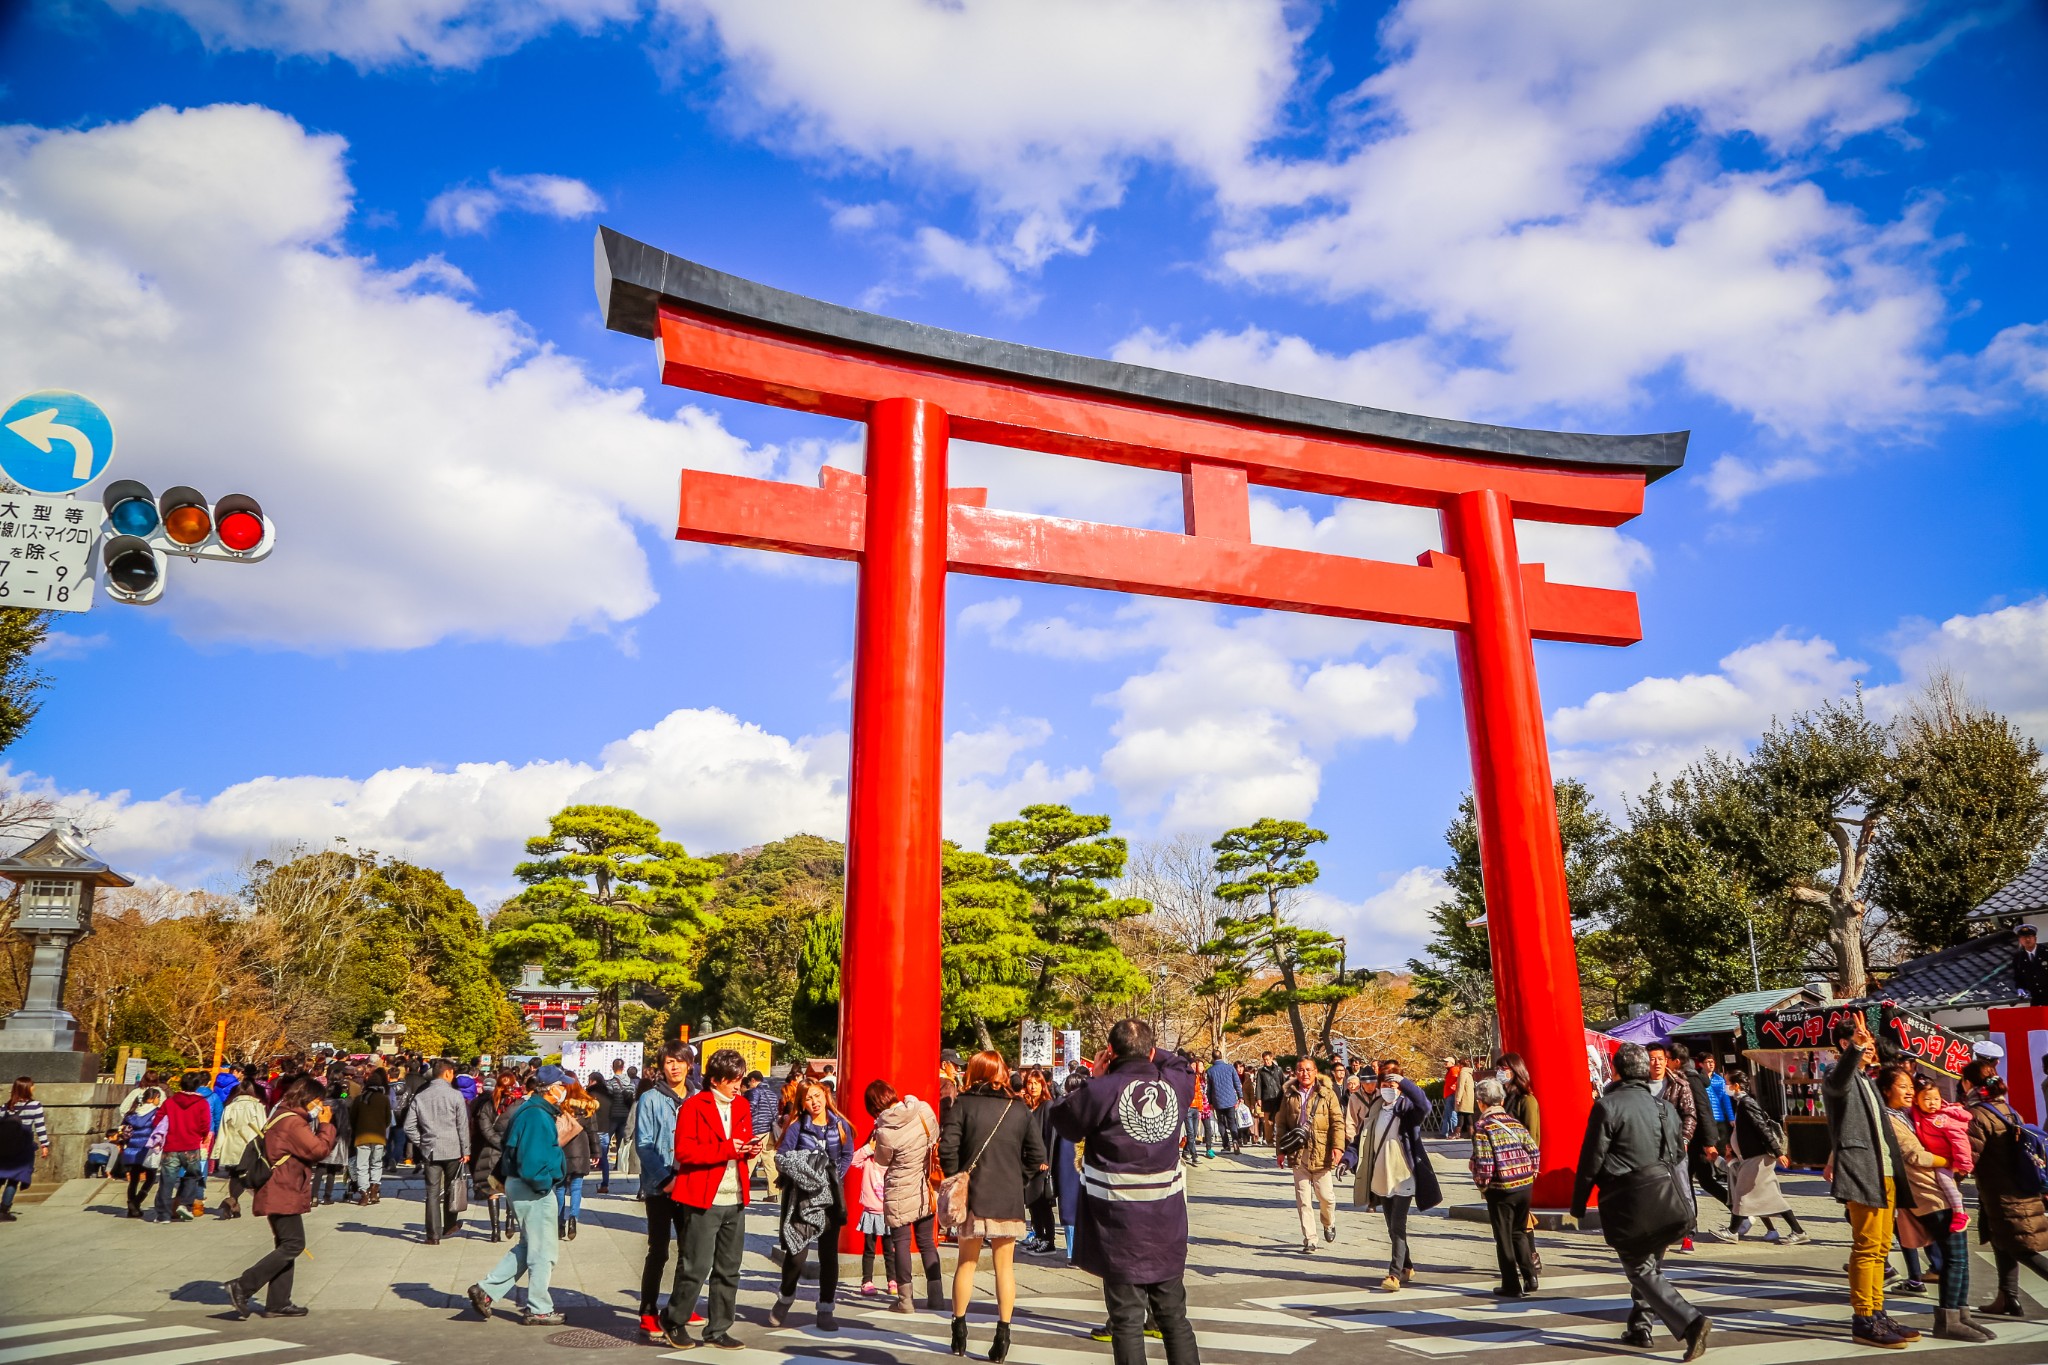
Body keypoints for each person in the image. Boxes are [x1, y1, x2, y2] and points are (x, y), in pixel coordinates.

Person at [1049, 1019, 1200, 1365]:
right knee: (1174, 1318)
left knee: (1127, 1321)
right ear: (1150, 1051)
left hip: (1117, 1225)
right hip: (1166, 1222)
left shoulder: (1101, 1090)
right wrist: (1148, 1053)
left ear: (1110, 1052)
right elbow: (1181, 1065)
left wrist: (1097, 1075)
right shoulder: (1173, 1085)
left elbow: (1063, 1117)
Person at [1571, 1041, 1712, 1361]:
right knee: (1650, 1268)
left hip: (1629, 1202)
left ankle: (1692, 1322)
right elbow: (1677, 1153)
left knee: (1639, 1270)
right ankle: (1640, 1326)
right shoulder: (1663, 1107)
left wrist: (1579, 1203)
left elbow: (1591, 1160)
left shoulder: (1608, 1106)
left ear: (1617, 1071)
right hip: (1666, 1198)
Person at [939, 1050, 1046, 1362]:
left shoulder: (963, 1103)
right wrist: (1018, 1178)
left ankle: (959, 1330)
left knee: (966, 1263)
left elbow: (948, 1148)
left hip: (972, 1196)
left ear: (974, 1071)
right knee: (1004, 1267)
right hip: (1008, 1195)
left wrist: (956, 1177)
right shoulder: (1019, 1108)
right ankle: (1003, 1334)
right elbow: (1036, 1156)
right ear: (1001, 1072)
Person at [1822, 1013, 1916, 1349]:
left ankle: (1877, 1312)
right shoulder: (1839, 1074)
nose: (1871, 1047)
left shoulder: (1866, 1079)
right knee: (1866, 1246)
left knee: (1880, 1248)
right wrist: (1855, 1052)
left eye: (1871, 1042)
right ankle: (1864, 1317)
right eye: (1864, 1041)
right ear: (1846, 1044)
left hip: (1883, 1170)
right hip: (1863, 1170)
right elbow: (1836, 1085)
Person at [1879, 1065, 1992, 1341]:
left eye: (1910, 1086)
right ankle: (1948, 1319)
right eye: (1902, 1086)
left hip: (1940, 1190)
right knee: (1953, 1257)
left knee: (1961, 1257)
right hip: (1927, 1194)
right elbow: (1916, 1156)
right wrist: (1950, 1161)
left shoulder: (1909, 1114)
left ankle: (1962, 1315)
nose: (1909, 1091)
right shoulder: (1889, 1119)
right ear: (1885, 1090)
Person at [659, 1047, 762, 1350]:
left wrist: (749, 1150)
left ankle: (718, 1328)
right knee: (696, 1265)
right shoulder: (694, 1106)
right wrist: (730, 1149)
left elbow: (740, 1144)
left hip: (736, 1195)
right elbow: (685, 1152)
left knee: (730, 1267)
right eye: (732, 1080)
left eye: (740, 1079)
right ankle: (674, 1319)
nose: (737, 1085)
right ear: (715, 1080)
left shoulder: (742, 1105)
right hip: (703, 1196)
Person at [222, 1076, 337, 1321]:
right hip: (282, 1188)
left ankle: (278, 1302)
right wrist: (327, 1125)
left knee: (287, 1244)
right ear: (307, 1099)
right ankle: (243, 1286)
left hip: (280, 1186)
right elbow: (318, 1150)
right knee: (293, 1244)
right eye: (318, 1101)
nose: (320, 1107)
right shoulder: (294, 1123)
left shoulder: (283, 1115)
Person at [468, 1064, 572, 1327]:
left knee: (529, 1247)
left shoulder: (530, 1110)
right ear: (552, 1089)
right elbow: (533, 1162)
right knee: (543, 1251)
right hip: (531, 1186)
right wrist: (544, 1183)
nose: (566, 1090)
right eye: (563, 1085)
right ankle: (539, 1308)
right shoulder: (537, 1115)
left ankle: (486, 1290)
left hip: (520, 1183)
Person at [1961, 1057, 2048, 1319]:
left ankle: (2008, 1297)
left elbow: (1969, 1161)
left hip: (2004, 1195)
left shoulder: (1977, 1115)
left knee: (2022, 1249)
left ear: (1968, 1083)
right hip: (2019, 1188)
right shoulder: (2008, 1110)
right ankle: (2007, 1297)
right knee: (2001, 1242)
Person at [771, 1079, 856, 1330]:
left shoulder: (840, 1125)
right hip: (802, 1198)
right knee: (796, 1254)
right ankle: (785, 1298)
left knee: (828, 1255)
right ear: (802, 1102)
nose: (814, 1102)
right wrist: (807, 1174)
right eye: (808, 1098)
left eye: (817, 1096)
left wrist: (833, 1175)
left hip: (830, 1198)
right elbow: (782, 1156)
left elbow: (847, 1153)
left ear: (826, 1096)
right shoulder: (797, 1125)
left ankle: (826, 1308)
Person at [1351, 1061, 1440, 1291]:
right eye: (1385, 1083)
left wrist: (1403, 1082)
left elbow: (1425, 1105)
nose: (1389, 1087)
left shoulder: (1408, 1109)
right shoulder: (1376, 1109)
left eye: (1393, 1083)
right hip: (1382, 1174)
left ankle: (1394, 1274)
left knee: (1398, 1224)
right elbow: (1362, 1139)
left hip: (1403, 1174)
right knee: (1391, 1226)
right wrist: (1347, 1160)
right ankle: (1407, 1265)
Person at [869, 1077, 945, 1315]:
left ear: (873, 1106)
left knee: (901, 1243)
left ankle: (905, 1300)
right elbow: (935, 1137)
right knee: (926, 1242)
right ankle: (936, 1297)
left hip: (900, 1190)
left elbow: (882, 1161)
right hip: (925, 1186)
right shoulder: (923, 1109)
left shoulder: (884, 1131)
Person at [634, 1041, 692, 1346]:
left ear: (689, 1064)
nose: (675, 1067)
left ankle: (680, 1306)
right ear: (661, 1066)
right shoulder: (650, 1099)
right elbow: (643, 1144)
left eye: (679, 1061)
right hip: (660, 1186)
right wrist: (665, 1178)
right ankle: (647, 1308)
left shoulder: (698, 1097)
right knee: (658, 1249)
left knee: (688, 1248)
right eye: (669, 1062)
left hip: (691, 1184)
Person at [1714, 1067, 1807, 1244]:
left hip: (1757, 1157)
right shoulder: (1742, 1103)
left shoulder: (1747, 1103)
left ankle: (1733, 1231)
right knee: (1771, 1197)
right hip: (1753, 1156)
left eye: (1727, 1083)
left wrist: (1779, 1152)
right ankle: (1798, 1231)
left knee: (1741, 1192)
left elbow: (1762, 1128)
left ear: (1736, 1086)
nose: (1725, 1086)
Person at [1469, 1077, 1539, 1297]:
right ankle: (1530, 1276)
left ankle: (1511, 1284)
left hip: (1502, 1188)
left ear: (1481, 1102)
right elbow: (1534, 1151)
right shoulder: (1513, 1122)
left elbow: (1485, 1162)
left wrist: (1483, 1185)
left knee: (1503, 1236)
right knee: (1519, 1231)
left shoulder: (1483, 1126)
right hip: (1524, 1185)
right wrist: (1531, 1173)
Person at [1275, 1056, 1344, 1254]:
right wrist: (1280, 1151)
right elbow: (1281, 1124)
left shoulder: (1327, 1094)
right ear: (1295, 1073)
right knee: (1303, 1199)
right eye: (1300, 1070)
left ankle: (1328, 1222)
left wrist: (1338, 1147)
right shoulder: (1289, 1095)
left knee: (1326, 1197)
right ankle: (1310, 1238)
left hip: (1321, 1151)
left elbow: (1337, 1122)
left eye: (1308, 1070)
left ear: (1315, 1072)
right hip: (1298, 1152)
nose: (1304, 1074)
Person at [404, 1057, 472, 1246]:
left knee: (432, 1193)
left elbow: (408, 1126)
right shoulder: (455, 1095)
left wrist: (422, 1142)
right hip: (453, 1148)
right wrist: (466, 1149)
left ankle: (432, 1234)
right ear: (448, 1073)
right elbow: (462, 1125)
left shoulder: (421, 1096)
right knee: (452, 1187)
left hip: (430, 1149)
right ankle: (449, 1224)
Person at [1643, 1043, 1698, 1253]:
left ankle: (1688, 1234)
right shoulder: (1639, 1086)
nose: (1656, 1063)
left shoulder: (1679, 1084)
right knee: (1653, 1192)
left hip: (1675, 1146)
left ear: (1667, 1061)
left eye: (1659, 1058)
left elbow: (1690, 1114)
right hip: (1649, 1146)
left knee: (1682, 1189)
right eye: (1651, 1059)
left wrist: (1684, 1139)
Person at [1911, 1075, 1974, 1234]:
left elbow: (1959, 1140)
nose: (1932, 1103)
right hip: (1935, 1159)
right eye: (1927, 1099)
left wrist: (1963, 1164)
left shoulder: (1941, 1118)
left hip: (1948, 1161)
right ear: (1916, 1101)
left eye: (1936, 1099)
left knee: (1945, 1182)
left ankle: (1960, 1213)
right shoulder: (1921, 1114)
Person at [155, 1071, 214, 1223]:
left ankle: (163, 1214)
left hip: (171, 1146)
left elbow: (157, 1121)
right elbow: (205, 1125)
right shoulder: (202, 1103)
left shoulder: (169, 1102)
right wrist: (203, 1135)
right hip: (191, 1146)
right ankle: (185, 1203)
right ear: (197, 1085)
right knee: (192, 1176)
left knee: (167, 1181)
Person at [472, 1074, 521, 1243]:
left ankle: (494, 1231)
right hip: (513, 1150)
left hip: (491, 1150)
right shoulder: (520, 1104)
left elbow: (485, 1129)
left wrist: (497, 1142)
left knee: (492, 1190)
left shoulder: (487, 1104)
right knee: (510, 1189)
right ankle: (510, 1222)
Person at [215, 1081, 268, 1221]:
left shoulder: (229, 1107)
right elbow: (263, 1127)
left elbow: (223, 1130)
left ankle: (234, 1204)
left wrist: (218, 1149)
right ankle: (232, 1200)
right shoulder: (257, 1106)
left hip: (231, 1145)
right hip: (250, 1145)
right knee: (248, 1175)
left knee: (235, 1175)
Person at [0, 1078, 50, 1221]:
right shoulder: (35, 1105)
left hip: (4, 1147)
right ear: (27, 1088)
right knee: (14, 1179)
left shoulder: (7, 1106)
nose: (34, 1087)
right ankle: (4, 1209)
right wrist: (44, 1145)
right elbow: (40, 1127)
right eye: (32, 1085)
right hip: (23, 1147)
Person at [556, 1079, 598, 1241]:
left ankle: (559, 1224)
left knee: (560, 1189)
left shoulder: (560, 1106)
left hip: (561, 1151)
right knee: (576, 1188)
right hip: (581, 1151)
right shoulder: (587, 1106)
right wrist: (596, 1153)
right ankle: (574, 1218)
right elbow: (593, 1133)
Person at [348, 1068, 392, 1207]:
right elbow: (388, 1120)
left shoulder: (359, 1099)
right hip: (379, 1136)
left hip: (361, 1136)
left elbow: (352, 1118)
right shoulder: (384, 1099)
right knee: (376, 1163)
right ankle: (374, 1189)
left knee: (362, 1166)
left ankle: (364, 1193)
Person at [120, 1087, 163, 1218]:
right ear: (152, 1098)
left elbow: (122, 1129)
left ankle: (131, 1207)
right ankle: (136, 1202)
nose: (159, 1100)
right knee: (150, 1178)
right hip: (147, 1150)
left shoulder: (132, 1113)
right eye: (158, 1097)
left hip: (132, 1150)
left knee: (133, 1180)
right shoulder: (156, 1113)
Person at [749, 1069, 783, 1201]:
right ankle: (773, 1193)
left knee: (748, 1162)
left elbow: (749, 1109)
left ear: (753, 1080)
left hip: (756, 1131)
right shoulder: (773, 1094)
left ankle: (740, 1192)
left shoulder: (754, 1092)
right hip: (770, 1131)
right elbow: (775, 1113)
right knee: (770, 1163)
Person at [583, 1071, 614, 1197]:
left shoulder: (589, 1095)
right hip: (605, 1129)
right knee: (604, 1158)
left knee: (585, 1156)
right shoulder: (609, 1094)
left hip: (592, 1129)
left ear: (593, 1081)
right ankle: (605, 1184)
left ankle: (578, 1182)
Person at [1205, 1052, 1242, 1155]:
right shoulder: (1230, 1068)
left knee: (1221, 1123)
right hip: (1230, 1099)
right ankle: (1235, 1140)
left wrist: (1210, 1102)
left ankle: (1226, 1145)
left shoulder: (1210, 1071)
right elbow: (1237, 1083)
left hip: (1218, 1100)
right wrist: (1240, 1096)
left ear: (1213, 1058)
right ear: (1221, 1057)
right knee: (1232, 1122)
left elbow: (1209, 1089)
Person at [1255, 1052, 1285, 1144]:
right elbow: (1258, 1085)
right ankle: (1269, 1139)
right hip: (1267, 1097)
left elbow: (1283, 1083)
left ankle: (1279, 1138)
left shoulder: (1279, 1070)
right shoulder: (1261, 1071)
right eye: (1264, 1060)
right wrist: (1258, 1098)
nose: (1266, 1061)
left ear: (1272, 1058)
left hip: (1278, 1097)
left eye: (1267, 1059)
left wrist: (1285, 1095)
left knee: (1279, 1119)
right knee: (1268, 1121)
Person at [2013, 924, 2047, 1002]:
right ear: (2020, 940)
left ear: (2035, 938)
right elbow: (2018, 977)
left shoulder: (2046, 952)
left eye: (2030, 937)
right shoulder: (2018, 957)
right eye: (2024, 937)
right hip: (2035, 998)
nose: (2027, 939)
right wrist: (2020, 988)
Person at [1454, 1057, 1477, 1138]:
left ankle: (1457, 1133)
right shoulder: (1470, 1073)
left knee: (1460, 1114)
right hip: (1470, 1097)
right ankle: (1471, 1133)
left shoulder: (1463, 1073)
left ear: (1461, 1065)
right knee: (1468, 1115)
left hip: (1464, 1097)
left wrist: (1458, 1099)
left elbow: (1461, 1086)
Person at [1437, 1058, 1461, 1138]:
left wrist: (1452, 1087)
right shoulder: (1452, 1070)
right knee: (1449, 1114)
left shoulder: (1453, 1070)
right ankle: (1446, 1132)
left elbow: (1455, 1079)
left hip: (1451, 1094)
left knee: (1451, 1114)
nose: (1445, 1063)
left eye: (1447, 1062)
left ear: (1452, 1063)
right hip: (1450, 1094)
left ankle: (1452, 1132)